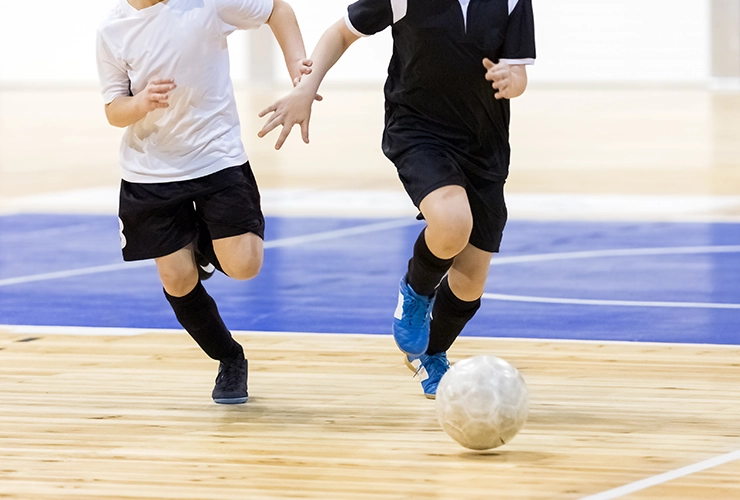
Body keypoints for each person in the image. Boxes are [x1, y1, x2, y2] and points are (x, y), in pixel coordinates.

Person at [258, 0, 536, 398]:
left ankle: (432, 353)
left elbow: (519, 72)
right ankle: (416, 291)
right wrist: (306, 88)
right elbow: (340, 32)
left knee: (471, 280)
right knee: (452, 221)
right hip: (419, 130)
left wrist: (513, 80)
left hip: (486, 145)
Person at [96, 0, 312, 404]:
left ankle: (200, 241)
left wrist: (297, 65)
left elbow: (277, 10)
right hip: (151, 171)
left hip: (216, 158)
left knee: (245, 265)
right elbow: (114, 110)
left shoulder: (206, 4)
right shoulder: (112, 30)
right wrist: (140, 103)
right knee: (177, 279)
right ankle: (230, 358)